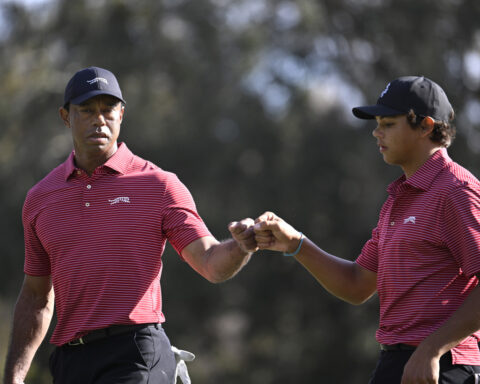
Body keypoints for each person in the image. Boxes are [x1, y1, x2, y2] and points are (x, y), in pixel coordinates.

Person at [3, 66, 257, 384]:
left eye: (108, 109)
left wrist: (241, 246)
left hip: (135, 353)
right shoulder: (41, 199)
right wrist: (13, 376)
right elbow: (36, 297)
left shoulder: (159, 185)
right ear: (66, 116)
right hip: (70, 362)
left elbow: (210, 261)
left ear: (121, 115)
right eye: (86, 110)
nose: (99, 119)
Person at [251, 76, 480, 383]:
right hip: (396, 362)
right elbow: (358, 284)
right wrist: (296, 244)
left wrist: (431, 350)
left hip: (443, 365)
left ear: (426, 126)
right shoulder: (398, 199)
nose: (376, 132)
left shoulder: (456, 191)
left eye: (388, 123)